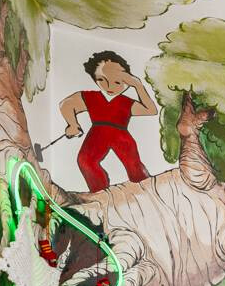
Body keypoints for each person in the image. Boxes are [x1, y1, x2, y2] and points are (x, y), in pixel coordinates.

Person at [58, 51, 159, 192]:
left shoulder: (125, 102)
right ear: (94, 78)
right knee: (85, 160)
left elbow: (151, 110)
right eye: (101, 79)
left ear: (127, 83)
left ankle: (146, 189)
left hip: (121, 135)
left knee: (133, 164)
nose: (109, 86)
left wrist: (138, 85)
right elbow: (66, 104)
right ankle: (99, 191)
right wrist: (72, 124)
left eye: (117, 82)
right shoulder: (91, 97)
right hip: (98, 133)